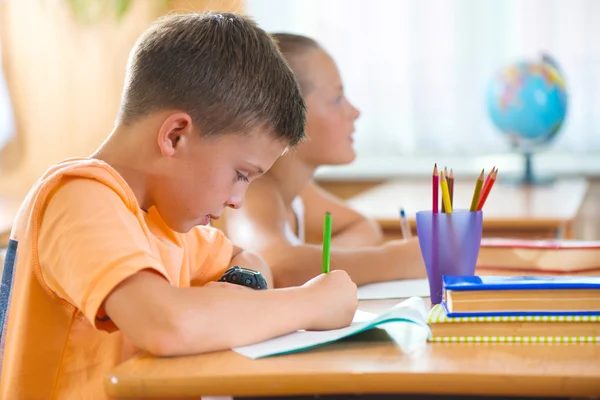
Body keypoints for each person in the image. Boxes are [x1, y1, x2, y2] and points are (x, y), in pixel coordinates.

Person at [0, 14, 358, 399]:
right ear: (175, 135)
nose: (238, 199)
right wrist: (311, 302)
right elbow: (166, 325)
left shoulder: (165, 223)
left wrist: (243, 280)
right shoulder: (78, 198)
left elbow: (248, 259)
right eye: (240, 173)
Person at [221, 33, 427, 288]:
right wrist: (395, 260)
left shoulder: (297, 192)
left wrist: (319, 262)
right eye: (337, 99)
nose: (354, 112)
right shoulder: (251, 191)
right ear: (287, 114)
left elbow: (364, 227)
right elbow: (274, 265)